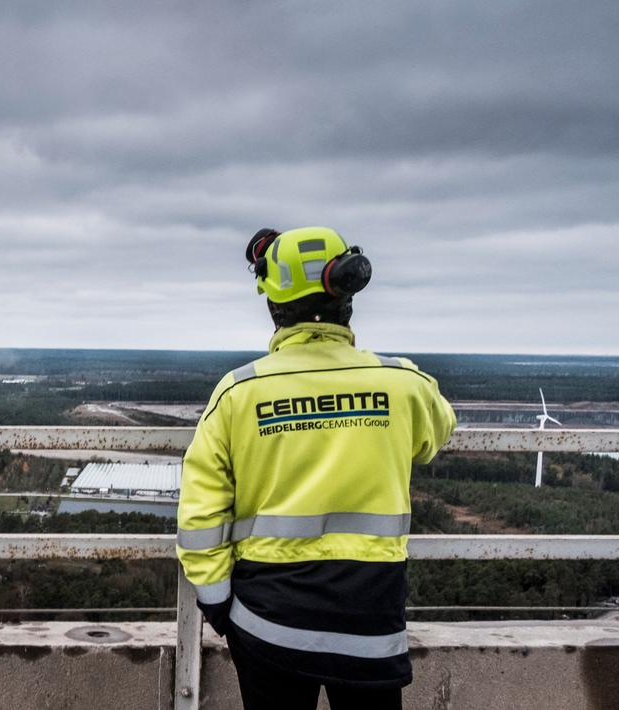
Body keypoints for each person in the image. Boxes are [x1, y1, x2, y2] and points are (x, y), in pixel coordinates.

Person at [176, 226, 456, 709]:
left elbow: (200, 516)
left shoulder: (238, 393)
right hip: (369, 618)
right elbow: (436, 433)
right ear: (348, 294)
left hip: (267, 624)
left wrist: (218, 604)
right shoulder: (403, 384)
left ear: (274, 304)